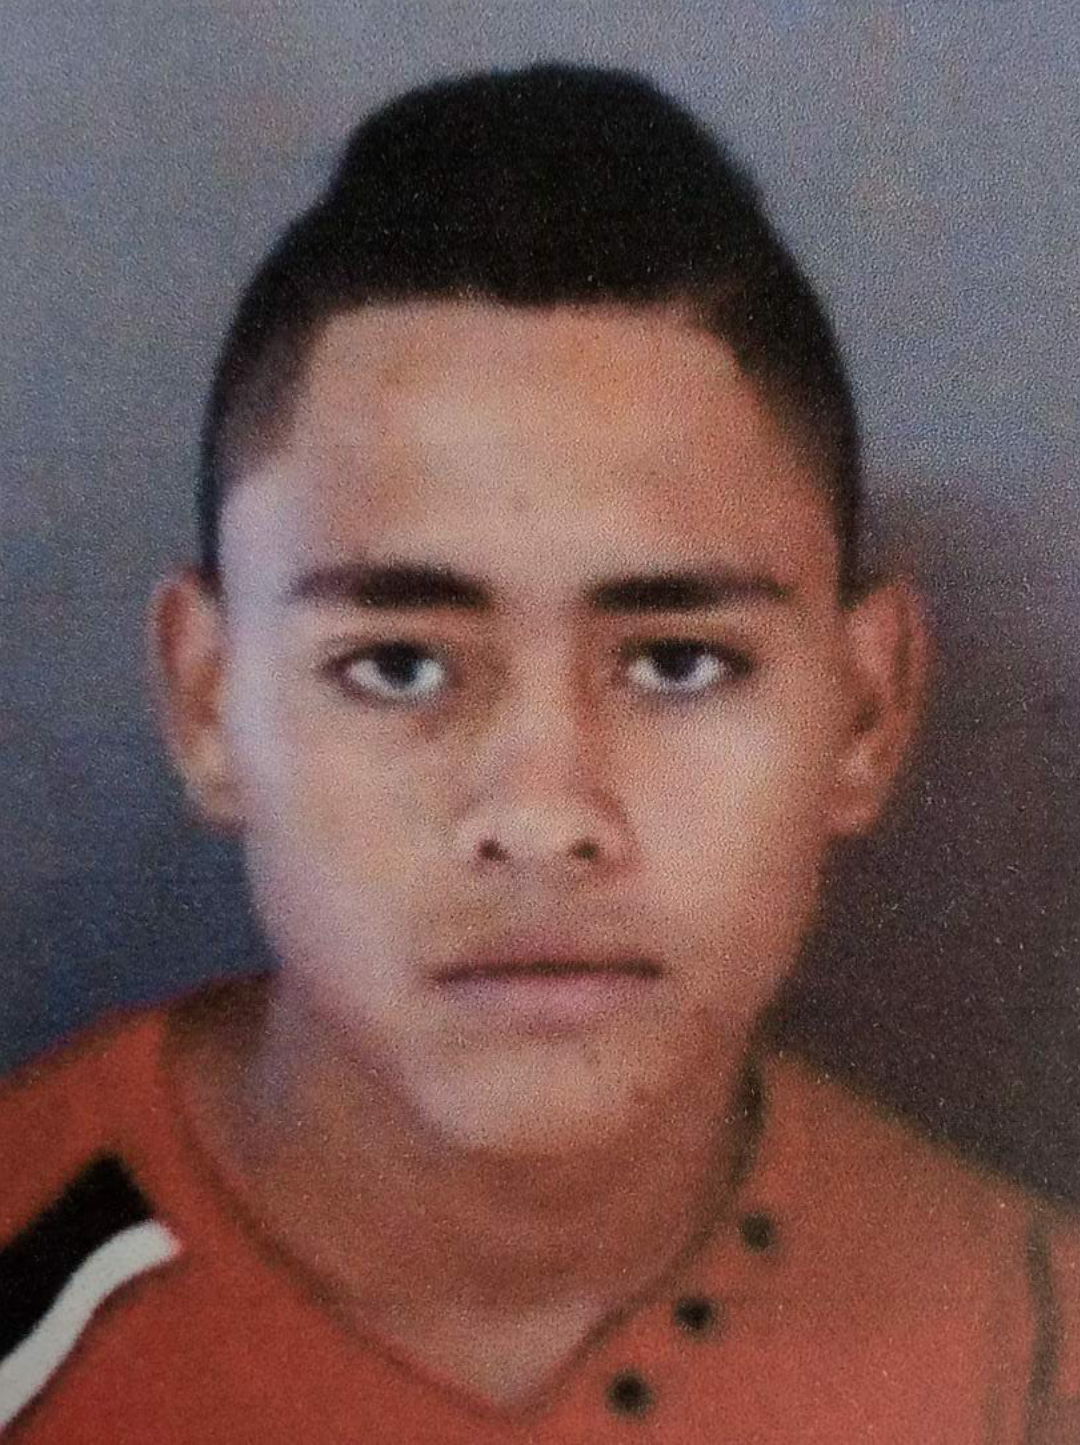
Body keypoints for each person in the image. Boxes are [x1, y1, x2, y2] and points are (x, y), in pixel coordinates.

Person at [0, 62, 1076, 1443]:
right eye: (398, 666)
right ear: (207, 703)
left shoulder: (1035, 1365)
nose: (544, 814)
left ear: (865, 712)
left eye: (678, 662)